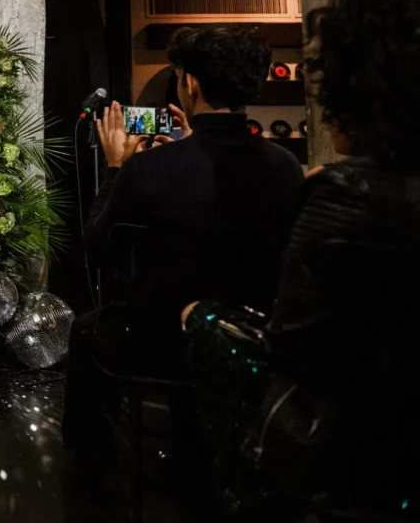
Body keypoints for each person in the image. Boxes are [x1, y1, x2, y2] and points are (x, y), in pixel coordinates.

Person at [183, 0, 420, 516]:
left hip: (355, 461)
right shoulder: (288, 167)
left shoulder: (341, 195)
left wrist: (206, 320)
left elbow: (291, 346)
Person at [63, 25, 303, 459]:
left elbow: (98, 248)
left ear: (190, 82)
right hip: (252, 337)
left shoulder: (150, 169)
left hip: (161, 342)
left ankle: (87, 463)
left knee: (84, 329)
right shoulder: (284, 165)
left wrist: (117, 167)